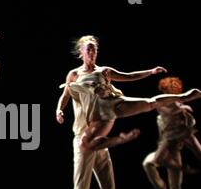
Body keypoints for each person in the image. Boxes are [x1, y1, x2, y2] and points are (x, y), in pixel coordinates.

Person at [58, 36, 201, 153]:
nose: (92, 53)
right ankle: (122, 139)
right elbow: (65, 95)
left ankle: (184, 96)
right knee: (85, 143)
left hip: (115, 102)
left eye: (94, 50)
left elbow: (129, 76)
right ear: (81, 52)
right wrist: (59, 109)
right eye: (89, 49)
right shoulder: (74, 74)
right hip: (101, 114)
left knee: (150, 103)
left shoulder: (104, 71)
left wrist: (150, 71)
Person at [142, 76, 201, 189]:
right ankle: (161, 185)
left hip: (182, 136)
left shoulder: (178, 101)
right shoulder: (162, 103)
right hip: (168, 140)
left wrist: (183, 106)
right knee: (150, 162)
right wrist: (182, 107)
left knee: (176, 184)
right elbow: (169, 110)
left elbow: (185, 108)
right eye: (169, 91)